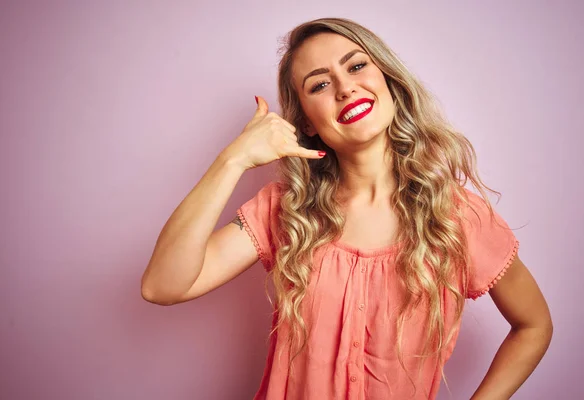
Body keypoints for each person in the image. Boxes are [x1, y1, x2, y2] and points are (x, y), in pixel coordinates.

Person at [141, 17, 553, 400]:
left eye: (356, 67)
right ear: (306, 122)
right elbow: (163, 285)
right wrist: (232, 160)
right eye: (319, 85)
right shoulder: (286, 211)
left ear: (388, 79)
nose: (344, 88)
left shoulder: (457, 216)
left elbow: (534, 326)